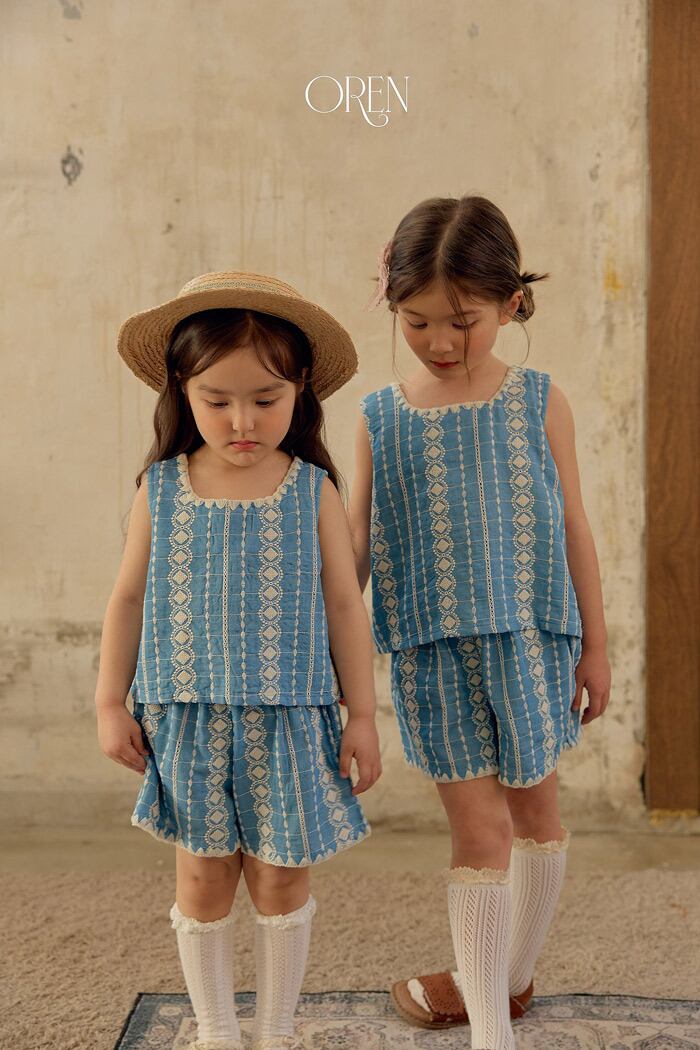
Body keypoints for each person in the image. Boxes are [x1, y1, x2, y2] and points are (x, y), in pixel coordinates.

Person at [95, 271, 382, 1050]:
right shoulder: (161, 489)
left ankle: (276, 1027)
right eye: (217, 401)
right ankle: (219, 1030)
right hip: (187, 720)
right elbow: (128, 599)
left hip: (290, 721)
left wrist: (363, 715)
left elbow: (344, 606)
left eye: (265, 399)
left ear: (301, 388)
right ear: (182, 392)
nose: (242, 421)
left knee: (282, 876)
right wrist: (109, 702)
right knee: (202, 876)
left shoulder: (312, 490)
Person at [349, 197, 611, 1050]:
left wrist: (597, 647)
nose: (440, 342)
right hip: (433, 654)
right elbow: (355, 547)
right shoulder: (381, 418)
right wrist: (327, 657)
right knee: (481, 831)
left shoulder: (540, 401)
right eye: (417, 321)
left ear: (511, 303)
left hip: (533, 644)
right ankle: (492, 1030)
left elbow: (574, 526)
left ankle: (507, 978)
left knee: (538, 820)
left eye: (462, 321)